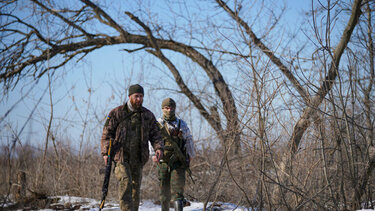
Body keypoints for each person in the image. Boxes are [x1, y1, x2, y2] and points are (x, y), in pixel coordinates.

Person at [101, 84, 163, 211]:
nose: (139, 99)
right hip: (121, 157)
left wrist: (158, 148)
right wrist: (105, 153)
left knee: (135, 189)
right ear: (130, 96)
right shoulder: (117, 113)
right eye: (136, 96)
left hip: (139, 158)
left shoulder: (147, 115)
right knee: (125, 183)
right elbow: (106, 134)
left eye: (141, 96)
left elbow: (156, 134)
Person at [152, 98, 196, 211]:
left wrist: (191, 155)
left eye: (171, 108)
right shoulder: (157, 124)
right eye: (167, 108)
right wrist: (153, 154)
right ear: (162, 109)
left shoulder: (182, 124)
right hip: (163, 162)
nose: (169, 110)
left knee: (178, 193)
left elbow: (189, 140)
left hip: (178, 162)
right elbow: (152, 140)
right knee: (164, 193)